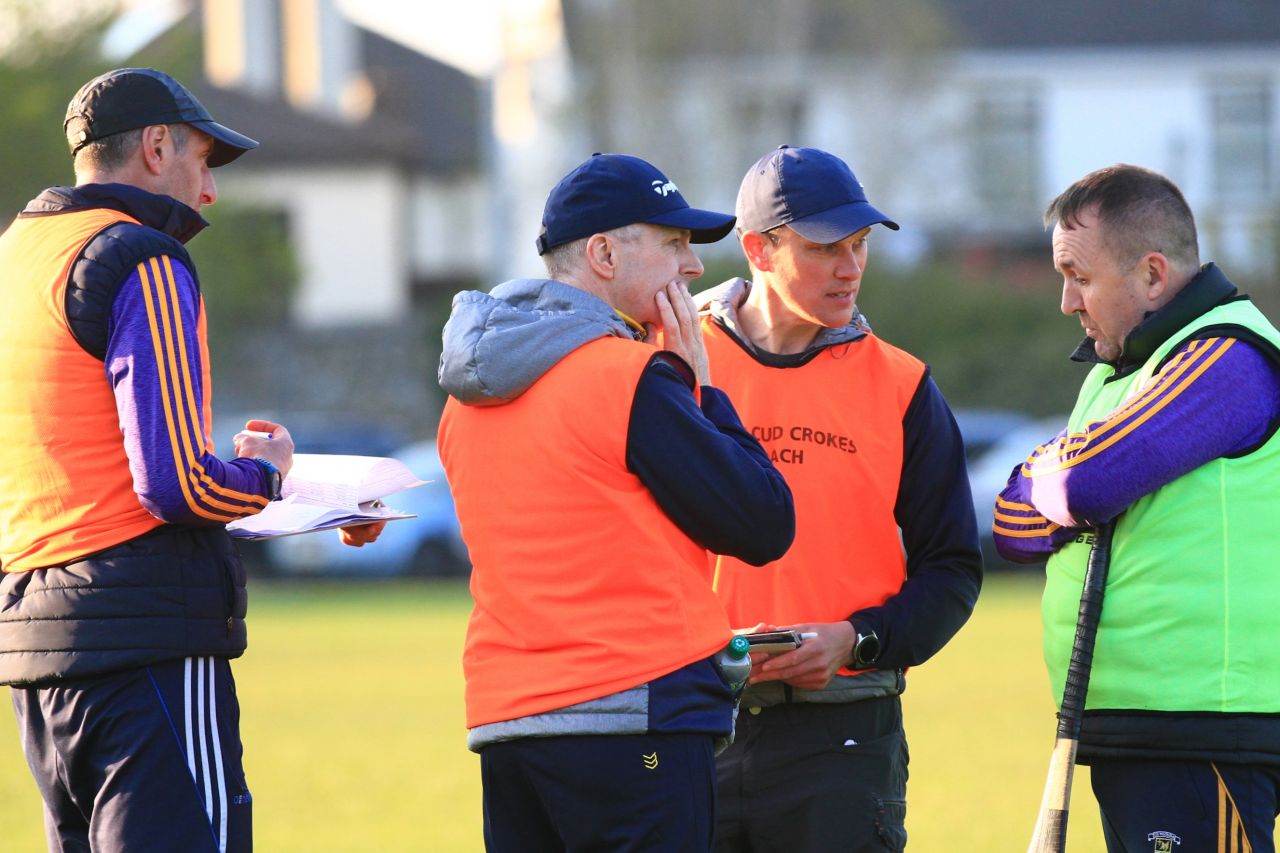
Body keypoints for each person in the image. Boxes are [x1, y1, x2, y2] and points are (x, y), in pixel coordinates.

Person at [0, 67, 382, 852]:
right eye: (205, 161)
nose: (208, 190)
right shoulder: (140, 258)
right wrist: (272, 473)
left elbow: (76, 466)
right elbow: (175, 485)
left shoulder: (16, 257)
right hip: (144, 649)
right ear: (155, 145)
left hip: (35, 653)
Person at [436, 152, 796, 851]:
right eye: (672, 243)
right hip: (635, 714)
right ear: (602, 253)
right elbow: (762, 521)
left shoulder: (466, 396)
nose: (692, 267)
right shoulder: (629, 378)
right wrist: (705, 389)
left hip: (510, 723)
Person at [695, 145, 983, 852]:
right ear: (759, 248)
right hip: (689, 727)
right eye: (827, 248)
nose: (851, 267)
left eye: (859, 245)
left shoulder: (903, 385)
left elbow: (951, 571)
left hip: (845, 738)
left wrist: (855, 639)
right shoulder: (675, 362)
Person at [993, 163, 1280, 852]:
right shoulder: (1121, 371)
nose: (1066, 301)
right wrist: (1066, 483)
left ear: (1154, 275)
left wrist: (1064, 478)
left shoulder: (1224, 357)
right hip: (1143, 723)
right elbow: (1010, 522)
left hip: (1203, 727)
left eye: (1079, 276)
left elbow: (1086, 481)